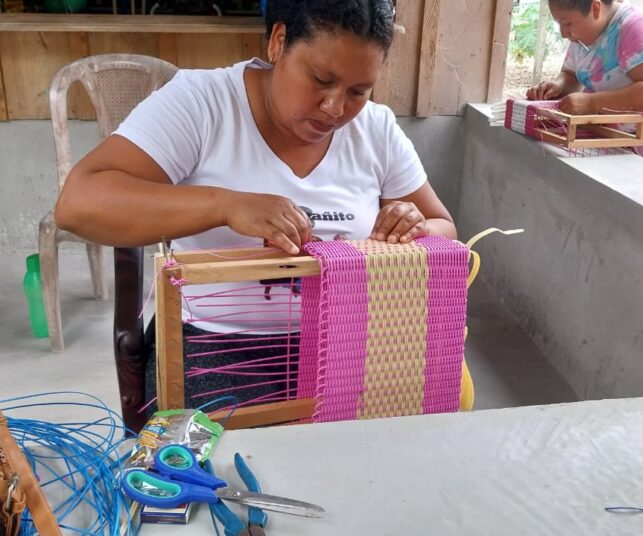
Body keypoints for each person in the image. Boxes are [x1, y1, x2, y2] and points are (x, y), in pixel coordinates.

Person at [55, 0, 457, 411]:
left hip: (346, 340)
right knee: (230, 449)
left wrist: (414, 228)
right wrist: (226, 205)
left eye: (358, 91)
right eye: (321, 79)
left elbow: (444, 228)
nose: (335, 108)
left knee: (387, 435)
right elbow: (78, 203)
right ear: (278, 42)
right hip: (216, 341)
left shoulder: (375, 129)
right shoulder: (201, 104)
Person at [526, 0, 643, 161]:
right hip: (603, 131)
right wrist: (557, 86)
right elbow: (571, 74)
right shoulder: (582, 33)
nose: (563, 33)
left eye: (566, 23)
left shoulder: (637, 27)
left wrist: (591, 103)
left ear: (596, 8)